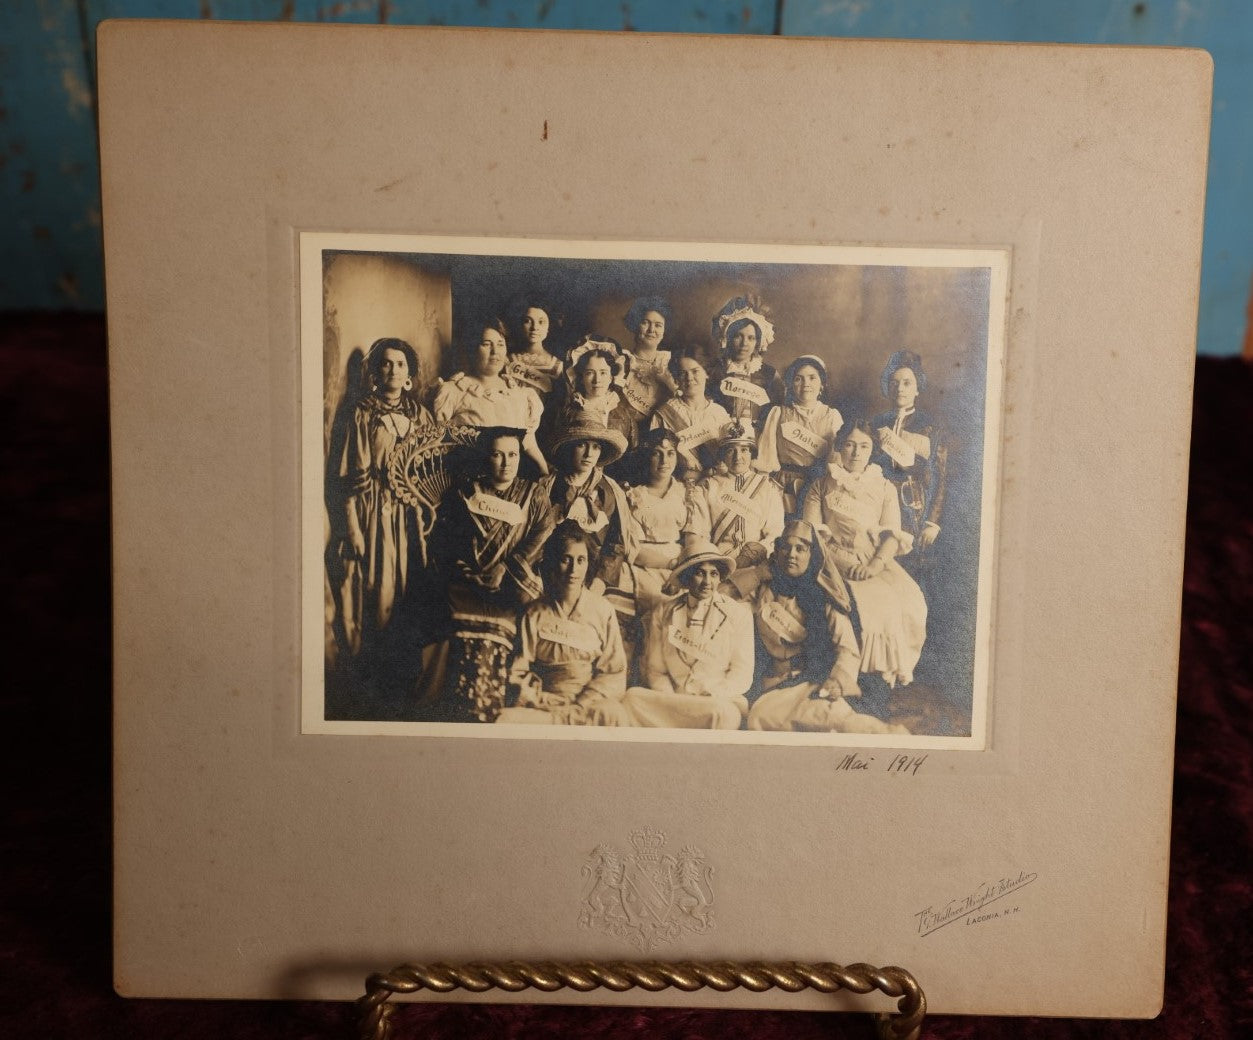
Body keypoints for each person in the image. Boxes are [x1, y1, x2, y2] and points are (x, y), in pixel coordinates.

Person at [424, 426, 556, 722]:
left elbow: (541, 535)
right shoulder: (466, 493)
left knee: (505, 624)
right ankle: (454, 706)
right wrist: (469, 574)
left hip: (510, 584)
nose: (507, 463)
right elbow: (447, 543)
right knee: (450, 619)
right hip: (467, 583)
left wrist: (507, 568)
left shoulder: (533, 495)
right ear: (486, 458)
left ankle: (490, 706)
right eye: (497, 455)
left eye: (513, 455)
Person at [740, 522, 907, 735]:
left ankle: (886, 736)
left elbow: (847, 649)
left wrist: (836, 681)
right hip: (771, 684)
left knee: (824, 715)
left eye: (801, 549)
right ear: (778, 550)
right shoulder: (765, 589)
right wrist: (757, 574)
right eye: (786, 547)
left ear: (813, 555)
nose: (792, 554)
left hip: (812, 679)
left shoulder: (824, 597)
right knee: (762, 716)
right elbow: (724, 593)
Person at [801, 420, 928, 695]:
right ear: (838, 447)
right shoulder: (821, 486)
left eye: (864, 446)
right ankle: (861, 677)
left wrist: (873, 565)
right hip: (832, 559)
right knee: (875, 602)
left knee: (910, 601)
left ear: (873, 450)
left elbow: (891, 536)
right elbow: (814, 536)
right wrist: (848, 563)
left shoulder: (884, 488)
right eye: (849, 445)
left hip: (875, 560)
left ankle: (887, 676)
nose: (856, 453)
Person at [333, 337, 432, 657]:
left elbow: (430, 466)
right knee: (377, 584)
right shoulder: (361, 413)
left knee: (410, 583)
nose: (393, 370)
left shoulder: (420, 415)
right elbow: (349, 476)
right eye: (386, 363)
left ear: (409, 375)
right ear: (375, 373)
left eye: (400, 364)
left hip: (410, 510)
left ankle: (400, 660)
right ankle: (370, 661)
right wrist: (353, 528)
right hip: (372, 509)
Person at [496, 523, 631, 726]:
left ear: (588, 564)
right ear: (553, 563)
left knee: (614, 713)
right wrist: (540, 699)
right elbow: (518, 670)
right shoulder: (534, 612)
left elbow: (614, 672)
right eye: (566, 560)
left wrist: (583, 702)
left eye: (580, 560)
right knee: (505, 719)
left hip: (586, 707)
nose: (573, 569)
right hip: (543, 705)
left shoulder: (603, 610)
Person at [623, 538, 755, 729]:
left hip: (716, 700)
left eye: (713, 574)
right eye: (699, 574)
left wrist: (714, 693)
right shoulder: (664, 612)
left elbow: (741, 674)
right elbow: (656, 670)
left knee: (726, 714)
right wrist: (672, 699)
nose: (707, 582)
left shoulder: (739, 614)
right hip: (675, 699)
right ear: (686, 577)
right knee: (632, 699)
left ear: (720, 578)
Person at [432, 318, 549, 475]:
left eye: (500, 344)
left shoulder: (520, 395)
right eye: (487, 344)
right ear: (472, 348)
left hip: (511, 482)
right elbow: (439, 447)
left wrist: (545, 475)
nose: (495, 351)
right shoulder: (453, 391)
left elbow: (529, 443)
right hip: (468, 483)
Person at [871, 350, 947, 584]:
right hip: (880, 502)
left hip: (915, 504)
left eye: (907, 383)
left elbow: (940, 476)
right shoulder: (877, 423)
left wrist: (932, 522)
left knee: (913, 571)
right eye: (894, 383)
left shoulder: (929, 425)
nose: (900, 389)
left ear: (917, 387)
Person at [537, 413, 634, 592]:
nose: (589, 454)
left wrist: (601, 579)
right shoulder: (549, 486)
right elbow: (535, 536)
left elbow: (616, 541)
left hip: (594, 572)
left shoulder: (610, 491)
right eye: (582, 445)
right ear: (569, 447)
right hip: (550, 569)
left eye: (596, 447)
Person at [618, 428, 704, 617]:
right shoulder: (634, 496)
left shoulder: (687, 493)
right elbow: (633, 549)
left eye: (670, 454)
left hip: (682, 565)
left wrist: (681, 572)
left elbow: (693, 541)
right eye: (657, 454)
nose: (665, 461)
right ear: (647, 457)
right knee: (657, 607)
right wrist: (670, 564)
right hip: (644, 564)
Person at [689, 419, 784, 575]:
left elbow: (775, 534)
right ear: (722, 455)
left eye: (744, 450)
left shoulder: (767, 488)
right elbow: (699, 533)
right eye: (730, 450)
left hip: (756, 565)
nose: (737, 457)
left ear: (752, 453)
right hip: (716, 565)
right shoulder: (708, 486)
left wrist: (753, 555)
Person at [755, 354, 844, 514]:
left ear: (822, 383)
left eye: (812, 378)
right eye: (798, 379)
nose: (806, 384)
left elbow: (837, 461)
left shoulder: (832, 416)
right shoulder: (778, 413)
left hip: (818, 486)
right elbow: (765, 458)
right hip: (783, 487)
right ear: (790, 383)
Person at [541, 335, 637, 472]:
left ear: (612, 377)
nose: (597, 380)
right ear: (580, 377)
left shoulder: (624, 415)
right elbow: (553, 451)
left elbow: (630, 458)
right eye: (590, 373)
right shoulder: (563, 410)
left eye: (603, 373)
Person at [649, 346, 733, 474]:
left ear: (707, 373)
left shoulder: (719, 413)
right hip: (677, 482)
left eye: (695, 371)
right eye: (683, 373)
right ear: (677, 378)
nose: (689, 378)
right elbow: (655, 455)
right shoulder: (665, 413)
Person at [709, 297, 784, 429]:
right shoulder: (714, 370)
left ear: (758, 342)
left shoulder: (769, 374)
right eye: (738, 336)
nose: (744, 344)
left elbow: (778, 412)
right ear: (728, 338)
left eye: (751, 338)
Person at [618, 296, 676, 433]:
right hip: (625, 431)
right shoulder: (621, 360)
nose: (651, 330)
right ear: (634, 325)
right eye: (645, 323)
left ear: (664, 330)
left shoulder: (670, 362)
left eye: (658, 325)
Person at [504, 295, 564, 397]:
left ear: (549, 326)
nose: (535, 327)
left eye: (541, 322)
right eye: (527, 321)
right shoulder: (508, 361)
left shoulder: (557, 366)